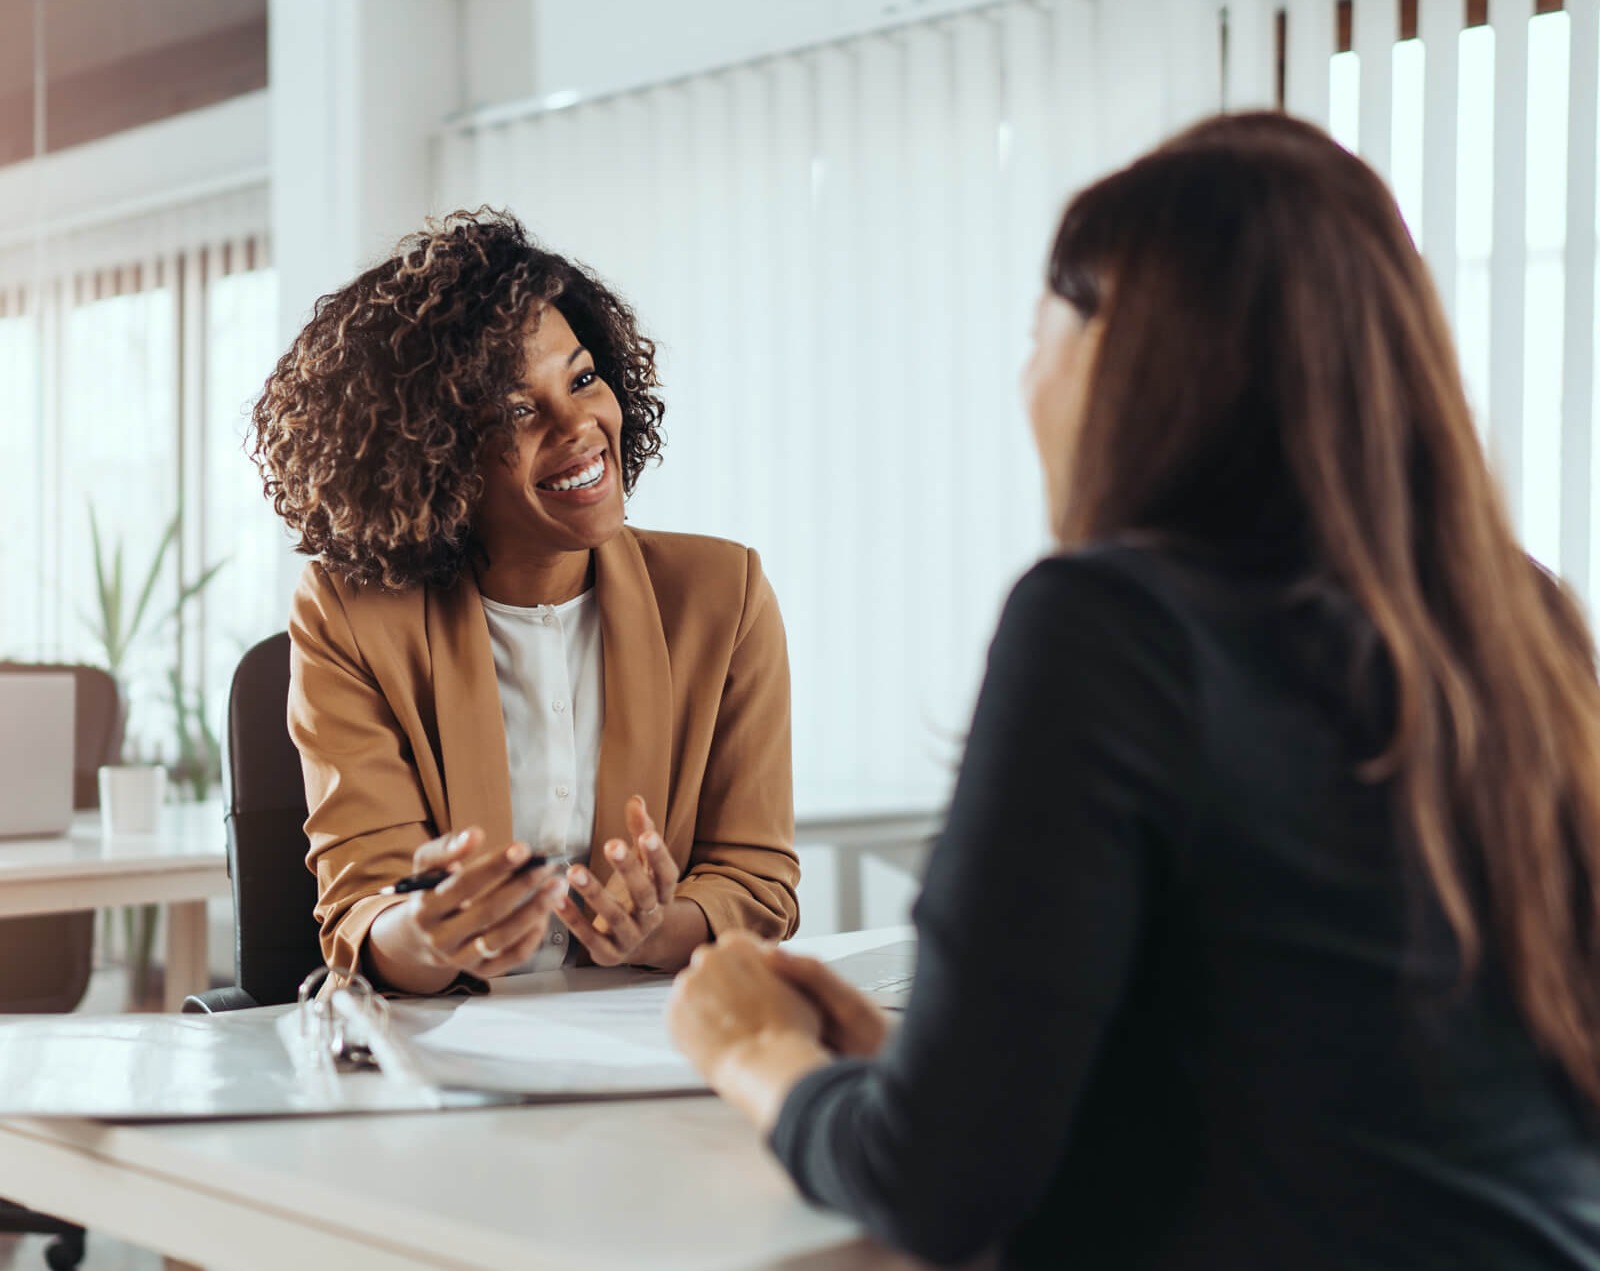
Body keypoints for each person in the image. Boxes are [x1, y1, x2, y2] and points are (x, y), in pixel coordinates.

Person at [667, 113, 1600, 1269]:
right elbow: (1333, 1083)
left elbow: (937, 1186)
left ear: (1124, 350)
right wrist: (921, 1071)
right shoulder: (1521, 620)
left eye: (1034, 330)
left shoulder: (1109, 624)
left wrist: (754, 1051)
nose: (1025, 377)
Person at [250, 210, 799, 995]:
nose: (579, 426)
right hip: (445, 1057)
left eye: (581, 379)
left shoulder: (723, 595)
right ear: (433, 454)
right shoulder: (350, 615)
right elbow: (363, 912)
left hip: (649, 1048)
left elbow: (758, 881)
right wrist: (435, 931)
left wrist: (655, 927)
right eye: (516, 409)